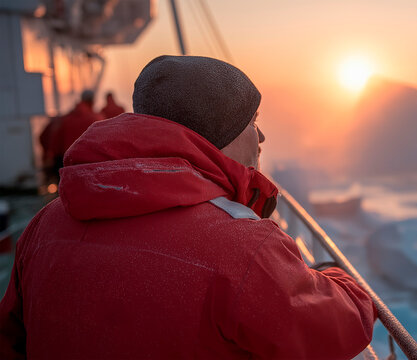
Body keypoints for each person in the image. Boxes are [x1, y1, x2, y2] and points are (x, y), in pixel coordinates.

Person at [0, 55, 377, 359]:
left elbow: (11, 339)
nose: (261, 136)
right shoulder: (241, 247)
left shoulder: (43, 225)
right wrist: (338, 277)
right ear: (217, 135)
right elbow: (336, 330)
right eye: (252, 121)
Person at [46, 89, 103, 178]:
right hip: (88, 164)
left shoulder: (64, 119)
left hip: (66, 162)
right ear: (93, 101)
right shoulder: (96, 119)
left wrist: (50, 157)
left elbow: (49, 140)